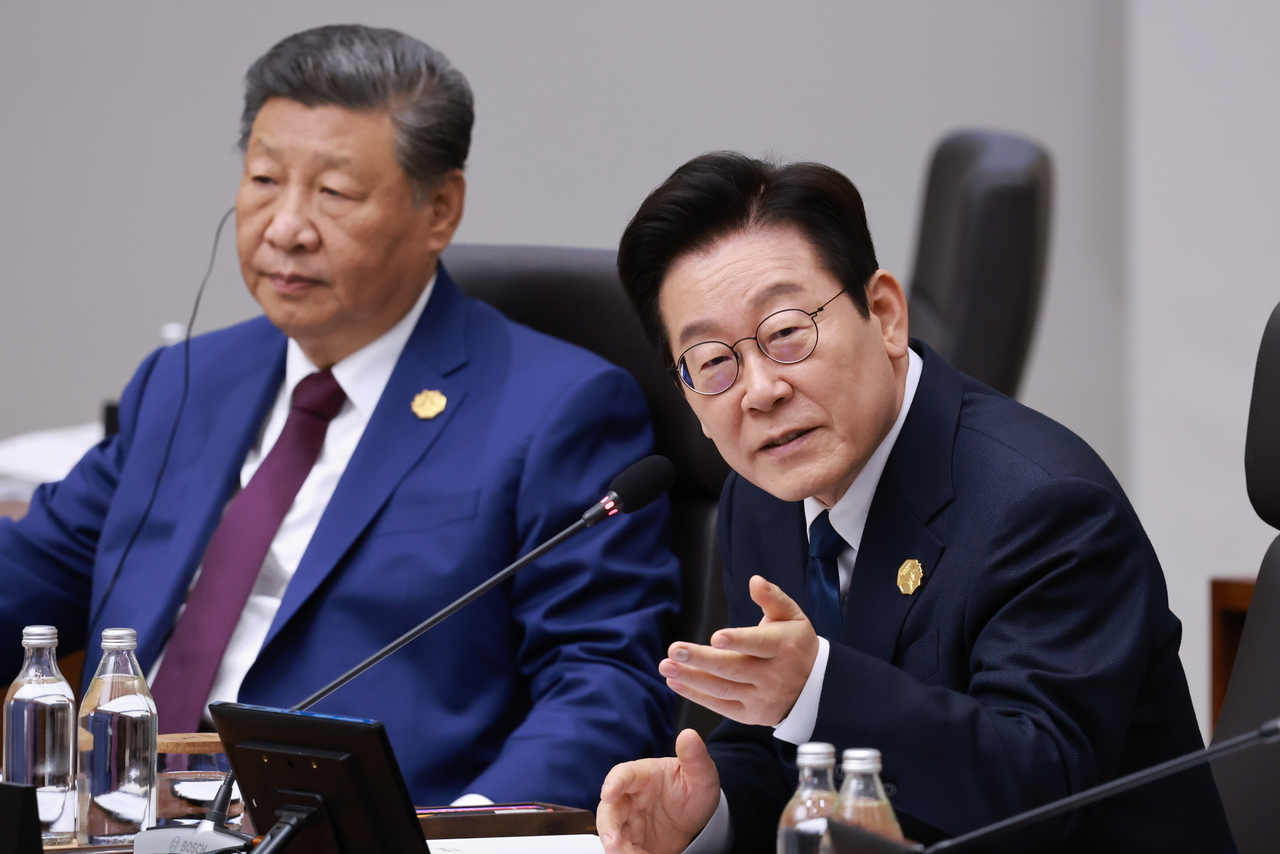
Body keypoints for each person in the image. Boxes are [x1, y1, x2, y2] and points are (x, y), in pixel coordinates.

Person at [0, 25, 680, 810]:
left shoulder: (558, 409)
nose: (285, 226)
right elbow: (35, 567)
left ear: (441, 208)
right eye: (263, 180)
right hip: (108, 818)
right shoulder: (188, 379)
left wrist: (465, 838)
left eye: (334, 193)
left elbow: (602, 682)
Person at [596, 153, 1235, 852]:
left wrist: (818, 690)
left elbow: (1044, 790)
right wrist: (707, 815)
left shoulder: (1046, 506)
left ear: (885, 315)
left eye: (785, 334)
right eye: (714, 361)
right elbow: (781, 747)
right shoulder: (761, 496)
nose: (759, 391)